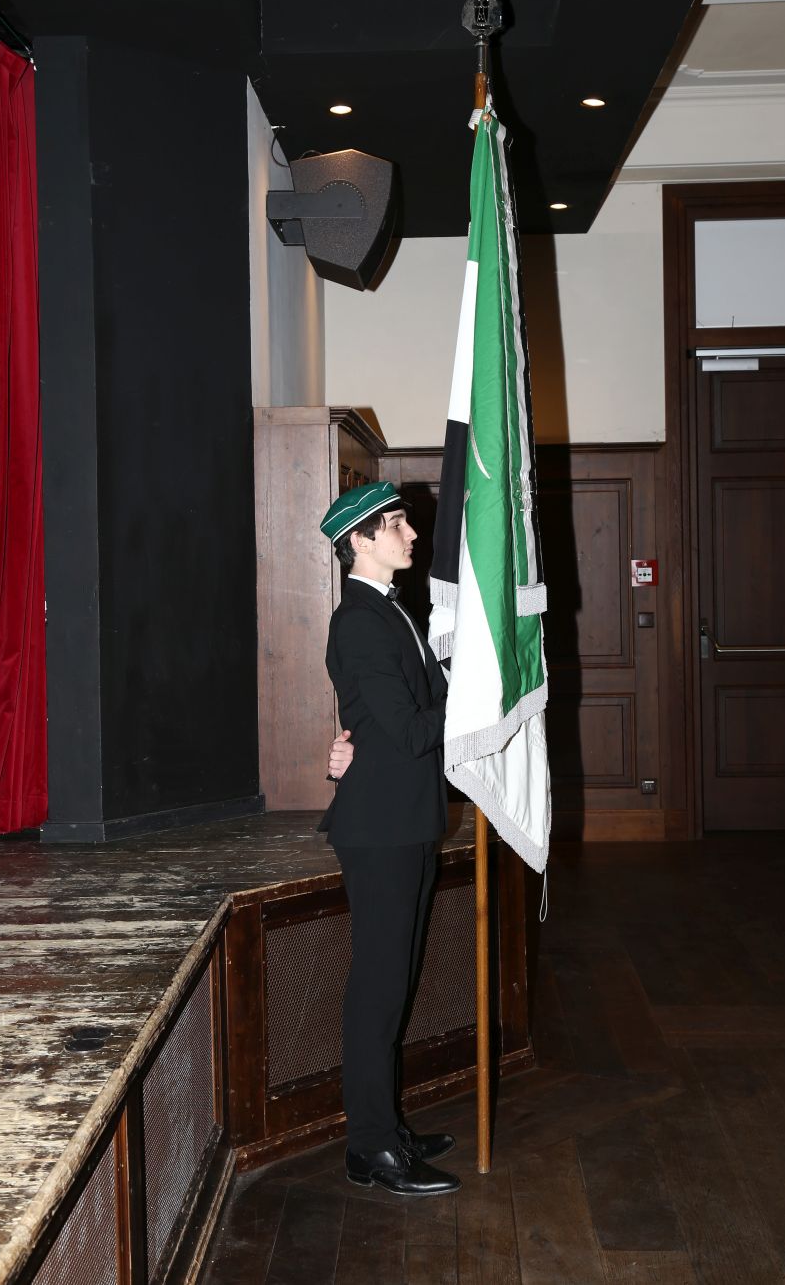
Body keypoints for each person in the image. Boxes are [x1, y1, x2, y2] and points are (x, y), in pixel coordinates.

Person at [319, 479, 460, 1197]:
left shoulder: (389, 610)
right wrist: (475, 698)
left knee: (395, 979)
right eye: (397, 524)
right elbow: (407, 731)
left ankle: (386, 1129)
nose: (411, 533)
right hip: (380, 827)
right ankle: (370, 1145)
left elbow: (389, 720)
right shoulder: (360, 622)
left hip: (404, 819)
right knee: (377, 989)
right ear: (360, 541)